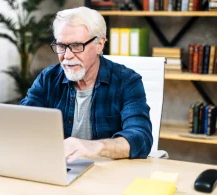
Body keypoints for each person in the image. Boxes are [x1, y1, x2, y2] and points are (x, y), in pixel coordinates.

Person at [20, 7, 153, 162]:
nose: (67, 56)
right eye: (61, 46)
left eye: (76, 46)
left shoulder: (127, 81)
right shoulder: (47, 79)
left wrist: (95, 147)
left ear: (99, 44)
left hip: (108, 174)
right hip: (59, 169)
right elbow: (23, 123)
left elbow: (140, 138)